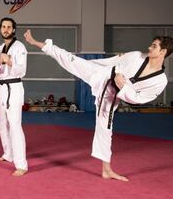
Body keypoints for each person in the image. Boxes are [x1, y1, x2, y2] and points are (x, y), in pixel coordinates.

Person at [24, 29, 172, 181]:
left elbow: (140, 98)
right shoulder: (136, 56)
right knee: (70, 60)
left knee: (105, 128)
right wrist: (88, 65)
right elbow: (113, 61)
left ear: (163, 52)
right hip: (102, 74)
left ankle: (106, 170)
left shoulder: (160, 81)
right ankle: (38, 43)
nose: (149, 47)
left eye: (154, 46)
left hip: (112, 94)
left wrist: (124, 87)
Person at [0, 17, 28, 176]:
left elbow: (22, 69)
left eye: (9, 27)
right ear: (0, 29)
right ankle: (8, 153)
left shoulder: (20, 47)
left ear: (13, 30)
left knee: (15, 125)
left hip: (15, 87)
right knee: (2, 123)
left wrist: (9, 61)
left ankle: (22, 164)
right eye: (3, 27)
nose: (6, 29)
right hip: (2, 88)